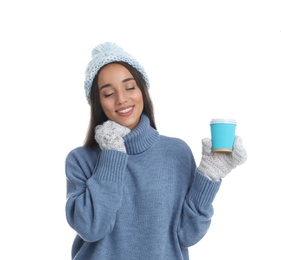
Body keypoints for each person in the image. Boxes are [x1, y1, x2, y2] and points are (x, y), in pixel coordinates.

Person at [65, 42, 247, 260]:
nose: (121, 99)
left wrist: (209, 175)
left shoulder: (176, 153)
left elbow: (186, 235)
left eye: (130, 87)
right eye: (108, 93)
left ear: (142, 90)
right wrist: (112, 154)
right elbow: (92, 227)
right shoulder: (81, 160)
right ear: (98, 103)